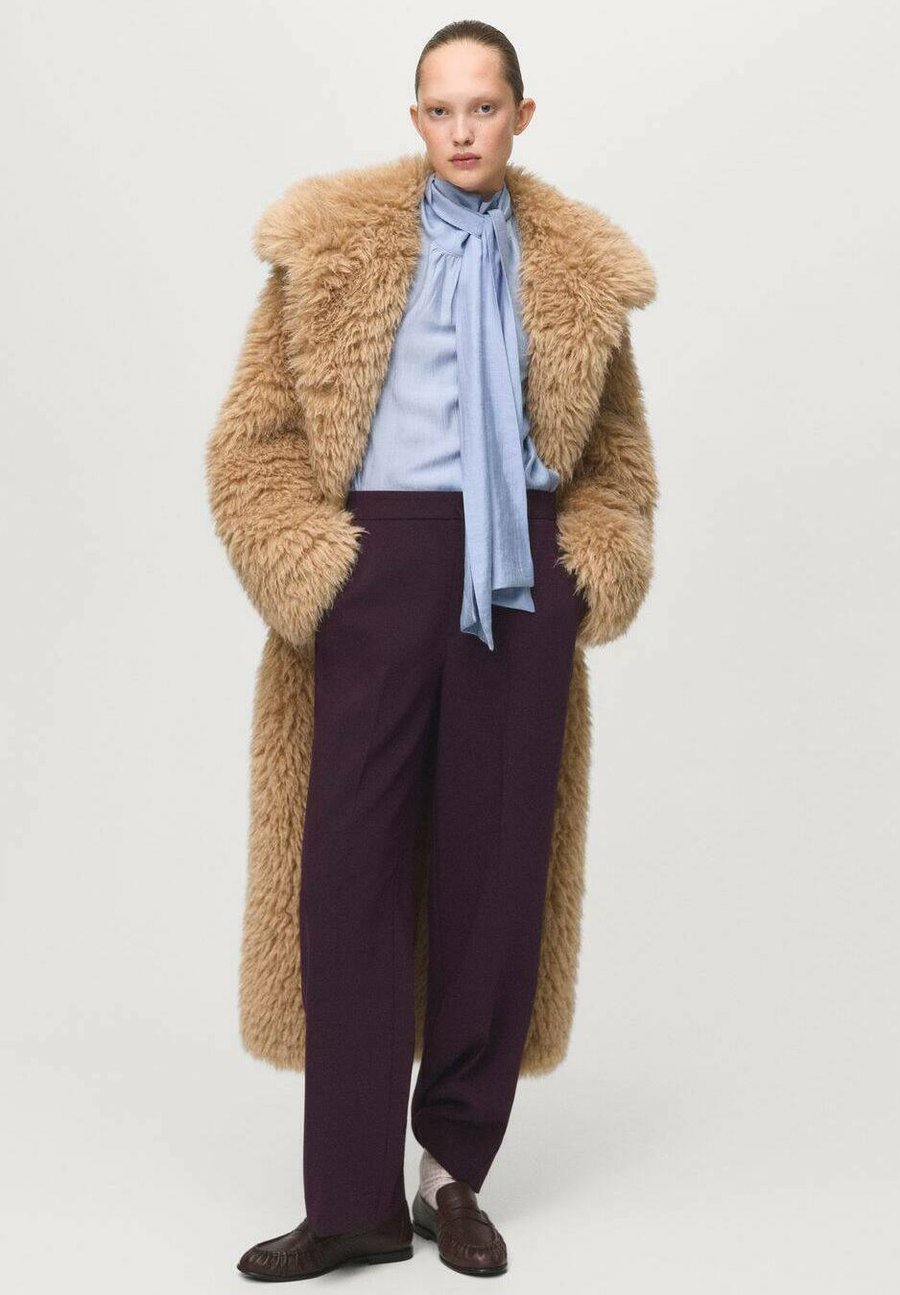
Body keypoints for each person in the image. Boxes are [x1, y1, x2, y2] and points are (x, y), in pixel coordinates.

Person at [206, 18, 659, 1282]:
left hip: (521, 577)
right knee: (346, 870)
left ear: (522, 115)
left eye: (484, 107)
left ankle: (452, 1170)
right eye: (441, 109)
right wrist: (320, 572)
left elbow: (619, 458)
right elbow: (253, 439)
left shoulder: (576, 267)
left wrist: (587, 567)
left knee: (496, 875)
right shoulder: (331, 246)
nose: (463, 130)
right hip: (380, 567)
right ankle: (349, 1198)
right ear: (417, 120)